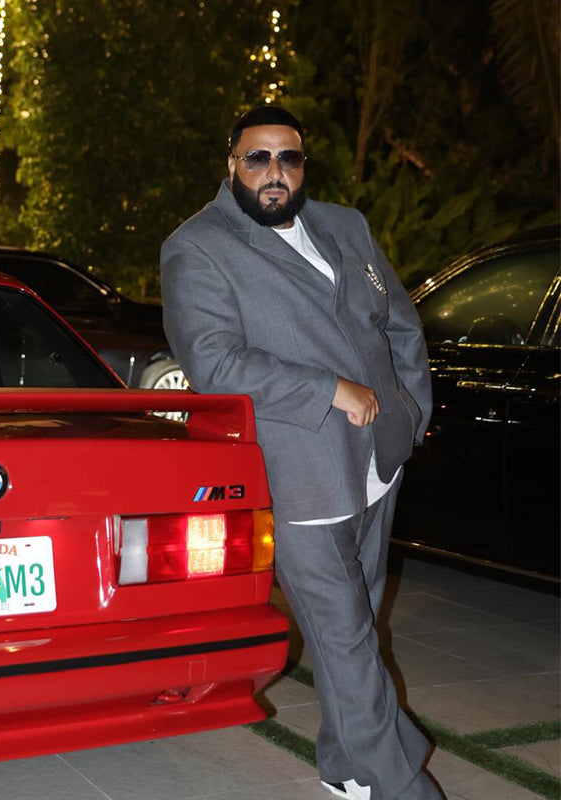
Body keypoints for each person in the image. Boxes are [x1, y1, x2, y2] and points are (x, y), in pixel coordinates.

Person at [160, 106, 442, 800]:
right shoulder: (197, 247)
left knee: (358, 623)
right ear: (232, 164)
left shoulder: (346, 225)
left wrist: (410, 409)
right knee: (345, 642)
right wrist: (328, 390)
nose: (275, 173)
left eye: (289, 158)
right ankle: (401, 783)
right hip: (299, 473)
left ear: (303, 166)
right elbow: (216, 362)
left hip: (377, 463)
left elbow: (399, 322)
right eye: (257, 158)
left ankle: (345, 767)